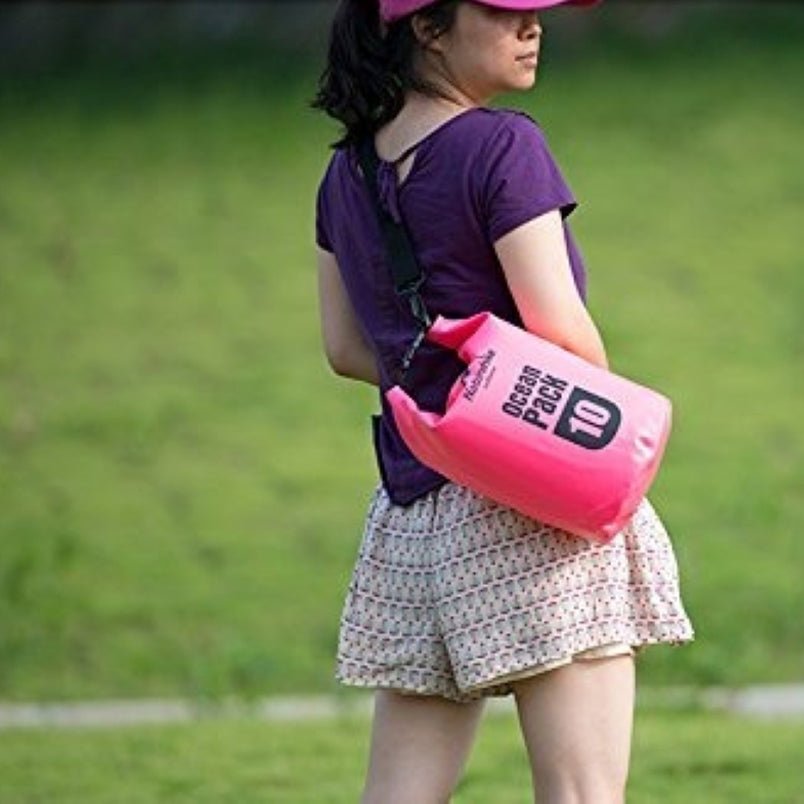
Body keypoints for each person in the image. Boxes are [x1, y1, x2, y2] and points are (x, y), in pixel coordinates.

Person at [312, 1, 695, 801]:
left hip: (413, 514)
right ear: (426, 27)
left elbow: (347, 350)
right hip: (533, 497)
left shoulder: (344, 173)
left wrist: (435, 381)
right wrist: (617, 430)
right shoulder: (502, 145)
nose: (533, 28)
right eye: (504, 12)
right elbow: (560, 331)